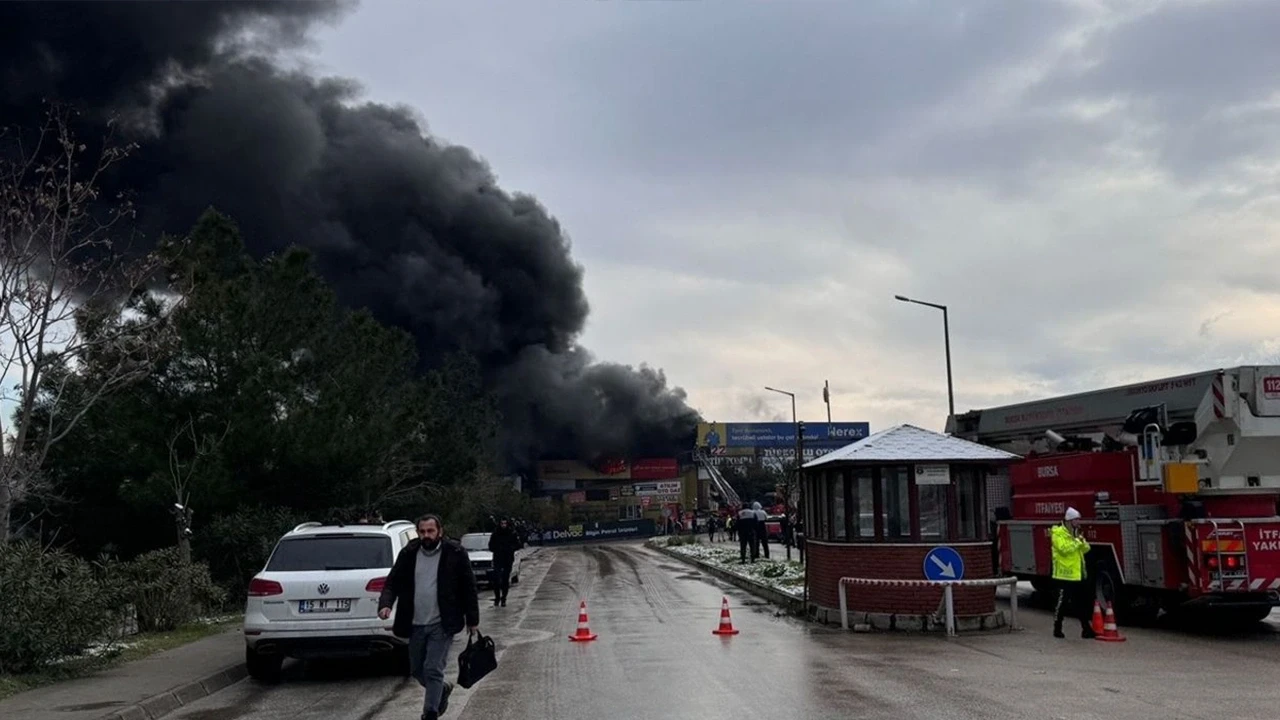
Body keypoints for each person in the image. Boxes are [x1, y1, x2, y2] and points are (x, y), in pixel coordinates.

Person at [378, 514, 480, 720]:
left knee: (433, 668)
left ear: (440, 531)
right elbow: (392, 582)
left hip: (442, 623)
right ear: (418, 533)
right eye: (422, 531)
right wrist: (385, 604)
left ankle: (430, 713)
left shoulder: (455, 553)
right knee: (417, 670)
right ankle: (442, 688)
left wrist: (472, 619)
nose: (427, 535)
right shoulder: (409, 553)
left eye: (431, 531)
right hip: (414, 623)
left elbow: (468, 587)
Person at [1051, 507, 1096, 639]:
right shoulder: (1058, 533)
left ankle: (1086, 629)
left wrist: (1082, 542)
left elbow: (1086, 549)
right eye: (1076, 520)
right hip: (1063, 575)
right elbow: (1063, 549)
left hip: (1077, 574)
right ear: (1069, 521)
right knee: (1062, 603)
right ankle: (1057, 628)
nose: (1078, 522)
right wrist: (1077, 542)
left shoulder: (1077, 533)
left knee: (1081, 603)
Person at [487, 518, 522, 607]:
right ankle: (497, 598)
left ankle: (504, 599)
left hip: (508, 558)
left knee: (505, 580)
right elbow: (490, 546)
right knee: (496, 579)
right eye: (502, 523)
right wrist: (497, 549)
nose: (503, 525)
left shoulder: (512, 533)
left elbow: (518, 544)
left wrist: (510, 549)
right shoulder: (495, 533)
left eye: (505, 523)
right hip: (498, 558)